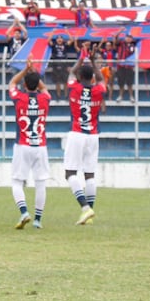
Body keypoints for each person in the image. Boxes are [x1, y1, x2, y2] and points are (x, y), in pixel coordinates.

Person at [64, 54, 107, 225]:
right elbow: (102, 78)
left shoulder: (74, 88)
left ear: (81, 77)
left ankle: (85, 208)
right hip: (93, 135)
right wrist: (95, 64)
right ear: (93, 77)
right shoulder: (99, 90)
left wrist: (81, 59)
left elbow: (72, 73)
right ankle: (90, 211)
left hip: (77, 133)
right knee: (89, 174)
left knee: (70, 173)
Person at [9, 57, 51, 230]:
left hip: (23, 144)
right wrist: (33, 72)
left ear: (24, 85)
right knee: (40, 183)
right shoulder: (45, 98)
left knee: (17, 182)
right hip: (40, 145)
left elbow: (12, 83)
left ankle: (24, 211)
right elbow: (43, 87)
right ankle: (38, 220)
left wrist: (26, 70)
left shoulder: (19, 97)